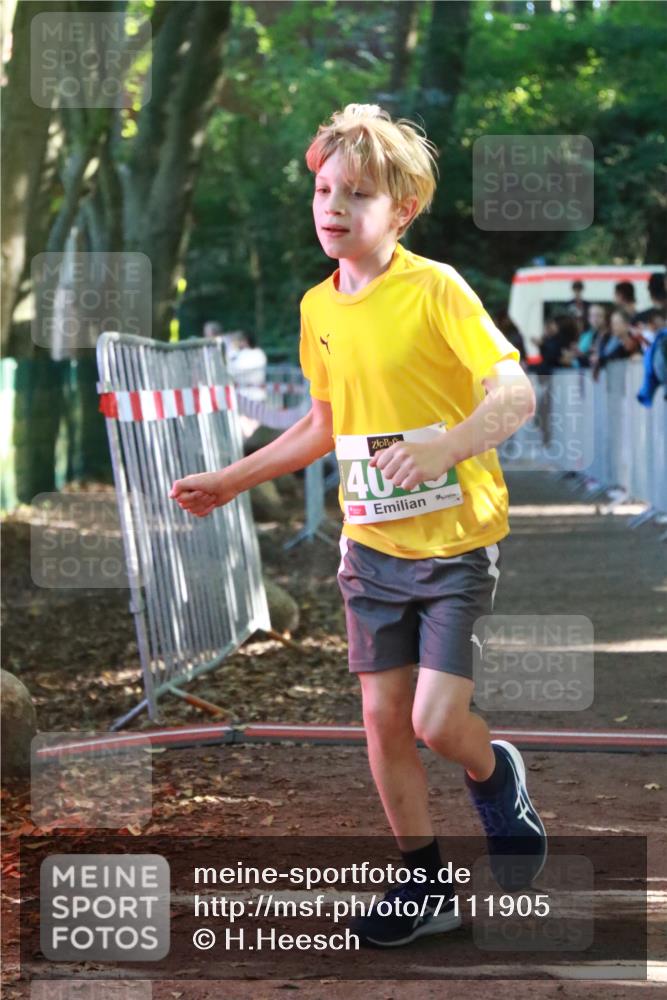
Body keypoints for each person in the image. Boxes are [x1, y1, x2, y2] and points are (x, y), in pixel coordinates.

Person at [169, 103, 547, 948]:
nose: (333, 208)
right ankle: (424, 881)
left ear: (401, 211)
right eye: (324, 191)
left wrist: (448, 445)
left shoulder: (435, 287)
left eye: (357, 195)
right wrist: (232, 480)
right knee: (382, 721)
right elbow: (321, 423)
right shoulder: (317, 307)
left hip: (454, 544)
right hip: (369, 546)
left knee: (435, 723)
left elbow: (514, 393)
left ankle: (497, 774)